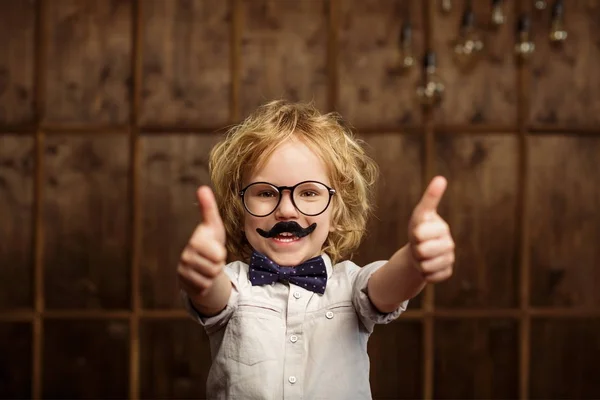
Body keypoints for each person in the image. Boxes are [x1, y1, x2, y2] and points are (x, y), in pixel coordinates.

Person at [177, 100, 454, 399]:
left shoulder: (351, 285)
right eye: (266, 193)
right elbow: (211, 293)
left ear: (336, 212)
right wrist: (203, 273)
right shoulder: (234, 285)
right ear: (239, 208)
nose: (286, 211)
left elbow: (389, 285)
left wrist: (415, 259)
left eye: (309, 193)